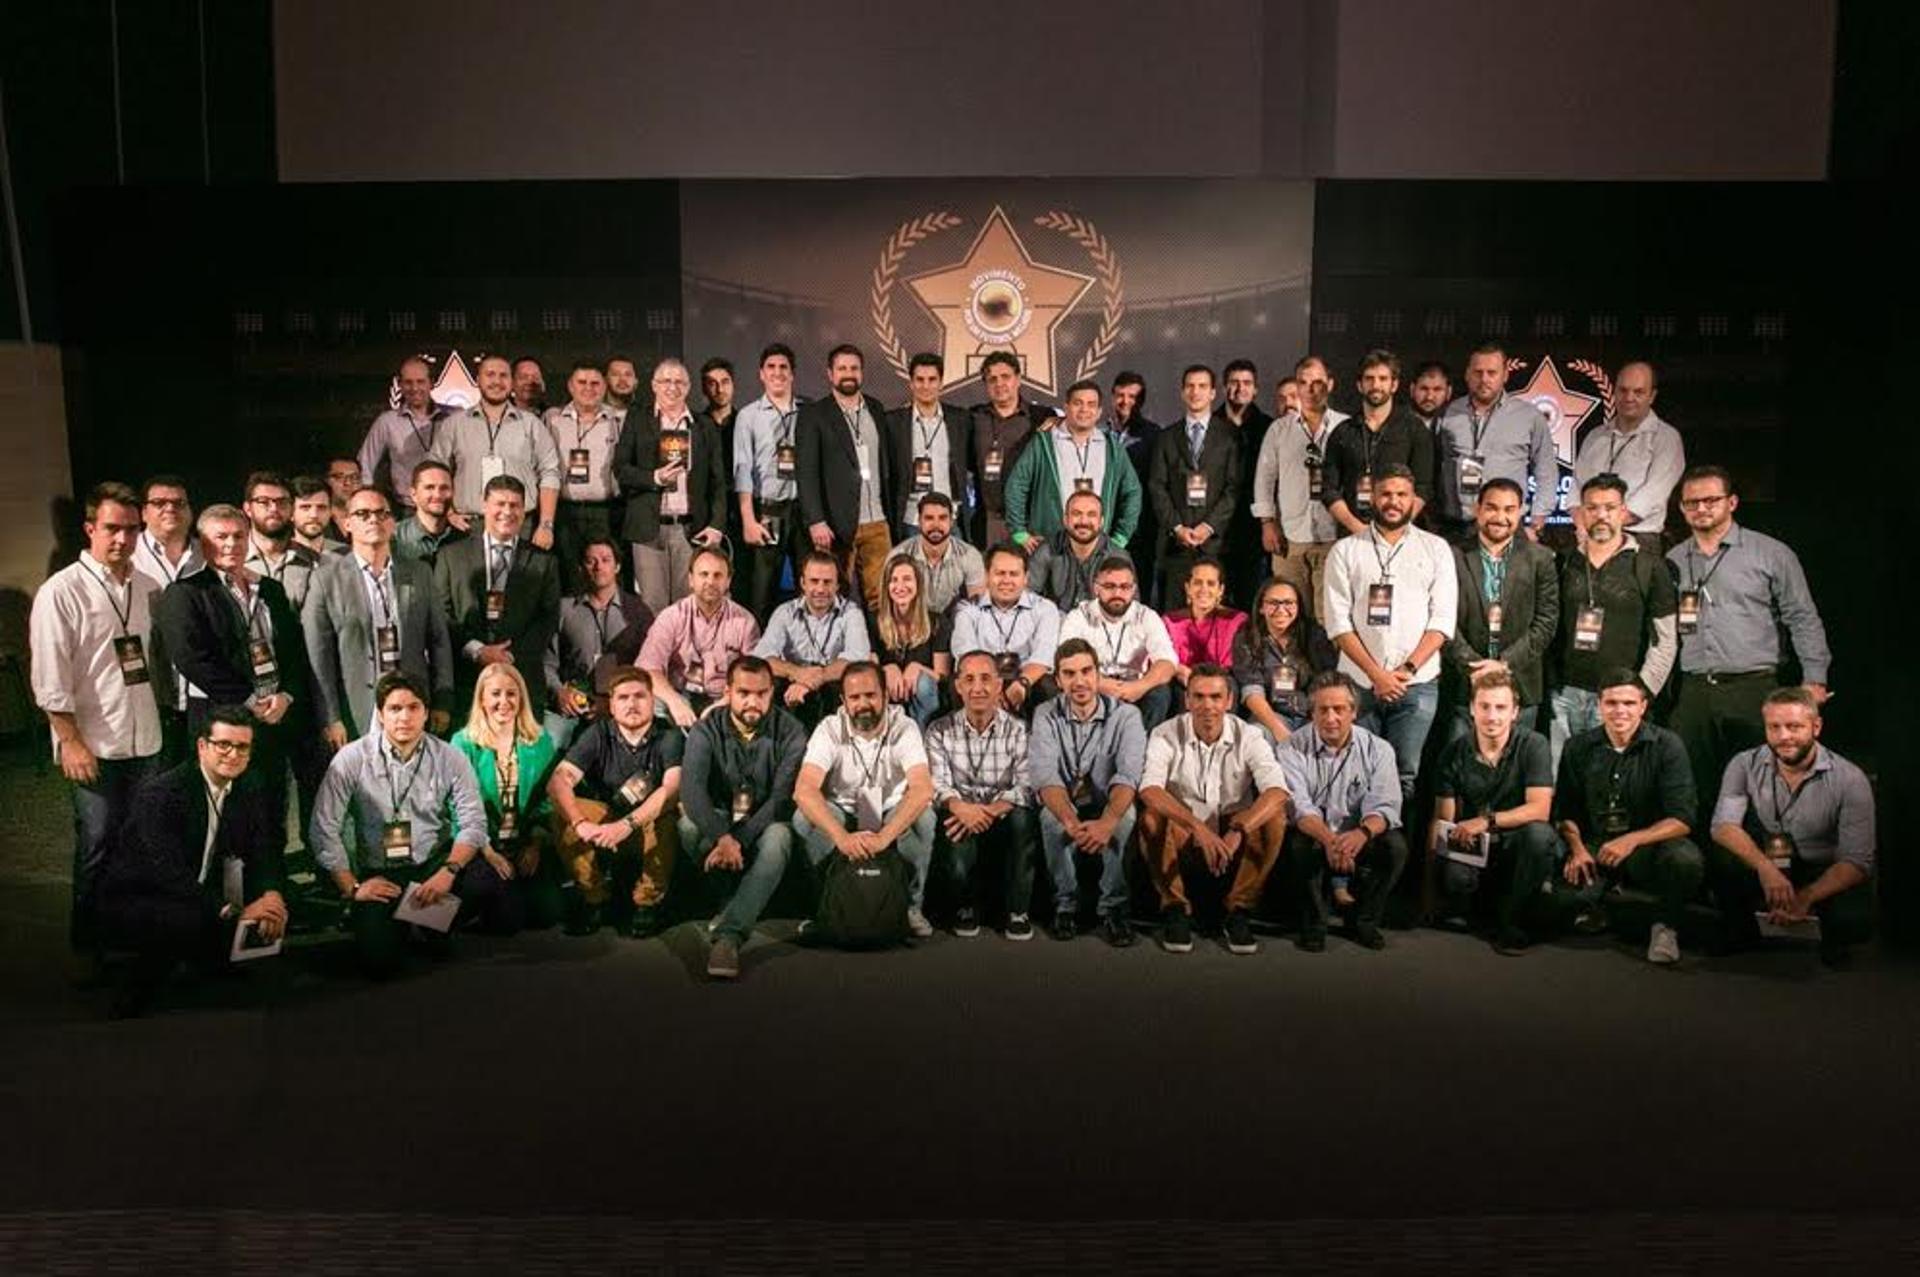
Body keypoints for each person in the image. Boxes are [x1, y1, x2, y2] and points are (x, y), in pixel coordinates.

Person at [30, 481, 167, 949]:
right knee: (98, 844)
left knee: (141, 843)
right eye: (112, 528)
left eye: (131, 530)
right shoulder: (61, 592)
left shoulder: (148, 587)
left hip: (144, 739)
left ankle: (131, 938)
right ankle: (88, 945)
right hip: (92, 743)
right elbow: (50, 678)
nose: (122, 539)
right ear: (90, 528)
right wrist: (69, 741)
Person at [1666, 464, 1831, 833]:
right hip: (1694, 690)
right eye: (1692, 502)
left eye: (1711, 500)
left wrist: (1815, 679)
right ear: (1681, 508)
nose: (1701, 509)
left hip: (1753, 687)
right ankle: (1705, 877)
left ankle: (1759, 878)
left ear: (1732, 502)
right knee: (1696, 788)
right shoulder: (1674, 559)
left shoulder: (1771, 553)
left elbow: (1802, 618)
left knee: (1763, 789)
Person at [92, 707, 287, 1016]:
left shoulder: (251, 785)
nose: (232, 755)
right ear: (202, 746)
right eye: (223, 744)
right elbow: (167, 873)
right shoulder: (162, 794)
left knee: (272, 909)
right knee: (186, 921)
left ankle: (210, 957)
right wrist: (232, 910)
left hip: (202, 887)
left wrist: (272, 895)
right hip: (143, 896)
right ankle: (136, 989)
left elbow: (265, 847)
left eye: (242, 747)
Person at [308, 672, 498, 976]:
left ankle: (430, 922)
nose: (404, 717)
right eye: (395, 709)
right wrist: (352, 887)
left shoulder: (450, 756)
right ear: (381, 715)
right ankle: (408, 920)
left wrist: (447, 872)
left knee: (485, 879)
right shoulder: (350, 759)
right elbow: (323, 827)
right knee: (379, 963)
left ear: (426, 712)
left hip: (431, 865)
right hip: (380, 872)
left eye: (413, 707)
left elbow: (473, 821)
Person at [155, 503, 313, 833]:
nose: (231, 544)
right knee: (228, 809)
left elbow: (294, 650)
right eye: (221, 536)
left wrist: (286, 695)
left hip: (274, 712)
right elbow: (191, 658)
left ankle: (273, 881)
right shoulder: (187, 593)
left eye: (239, 536)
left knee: (273, 803)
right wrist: (248, 700)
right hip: (222, 716)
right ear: (202, 542)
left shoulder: (270, 588)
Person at [1707, 687, 1873, 966]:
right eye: (1775, 727)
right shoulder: (1743, 763)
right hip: (1774, 857)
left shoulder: (1850, 779)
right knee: (1723, 857)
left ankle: (1826, 930)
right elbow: (1723, 825)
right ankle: (1743, 931)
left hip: (1822, 865)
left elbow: (1857, 861)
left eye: (1794, 727)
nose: (1784, 737)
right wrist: (1765, 869)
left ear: (1816, 727)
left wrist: (1807, 895)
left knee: (1852, 920)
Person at [1322, 464, 1455, 803]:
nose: (1393, 501)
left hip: (1417, 684)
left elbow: (1441, 621)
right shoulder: (1345, 550)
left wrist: (1405, 671)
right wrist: (1376, 674)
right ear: (1372, 497)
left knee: (1404, 776)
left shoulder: (1436, 549)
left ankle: (1396, 854)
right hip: (1358, 684)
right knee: (1354, 773)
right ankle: (1355, 851)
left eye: (1401, 495)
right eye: (1386, 494)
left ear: (1414, 500)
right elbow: (1338, 624)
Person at [1138, 663, 1292, 955]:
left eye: (1215, 697)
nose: (1207, 705)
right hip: (1185, 833)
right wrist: (1196, 827)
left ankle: (1239, 910)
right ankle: (1176, 908)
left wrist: (1239, 829)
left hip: (1233, 834)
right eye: (1198, 697)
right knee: (1152, 818)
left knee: (1274, 818)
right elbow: (1150, 790)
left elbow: (1277, 791)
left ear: (1229, 701)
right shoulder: (1164, 733)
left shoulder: (1249, 735)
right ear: (1187, 700)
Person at [1553, 672, 1700, 965]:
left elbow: (1683, 818)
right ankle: (1597, 906)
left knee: (1685, 859)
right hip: (1596, 846)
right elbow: (1565, 812)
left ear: (1643, 706)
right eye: (1612, 703)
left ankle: (1665, 926)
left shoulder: (1667, 745)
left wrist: (1632, 840)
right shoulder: (1577, 747)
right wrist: (1577, 848)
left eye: (1629, 703)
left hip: (1647, 847)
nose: (1620, 711)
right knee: (1560, 896)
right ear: (1601, 704)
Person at [676, 655, 807, 978]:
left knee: (779, 838)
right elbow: (691, 792)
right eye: (744, 693)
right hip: (719, 821)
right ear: (728, 691)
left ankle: (729, 935)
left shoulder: (792, 731)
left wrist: (738, 841)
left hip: (765, 821)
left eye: (761, 693)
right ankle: (733, 899)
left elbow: (780, 798)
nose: (753, 701)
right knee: (687, 824)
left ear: (772, 692)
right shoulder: (706, 729)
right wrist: (723, 837)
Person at [792, 661, 937, 938]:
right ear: (843, 701)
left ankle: (911, 907)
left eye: (870, 695)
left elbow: (922, 789)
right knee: (804, 818)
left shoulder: (904, 727)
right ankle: (823, 908)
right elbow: (804, 789)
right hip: (843, 808)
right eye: (855, 697)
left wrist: (884, 837)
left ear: (885, 695)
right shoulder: (830, 728)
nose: (863, 704)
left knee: (925, 817)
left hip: (890, 808)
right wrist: (841, 837)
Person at [304, 485, 454, 746]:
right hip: (357, 709)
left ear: (393, 523)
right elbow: (319, 657)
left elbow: (439, 641)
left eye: (381, 513)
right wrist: (330, 717)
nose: (373, 519)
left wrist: (442, 700)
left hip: (411, 705)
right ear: (347, 523)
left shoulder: (419, 573)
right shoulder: (325, 579)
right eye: (363, 514)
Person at [1549, 473, 1677, 770]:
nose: (1601, 516)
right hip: (1565, 697)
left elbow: (1665, 639)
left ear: (1623, 512)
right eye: (1592, 508)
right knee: (1563, 786)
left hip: (1619, 699)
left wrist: (1641, 692)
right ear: (1581, 513)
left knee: (1610, 787)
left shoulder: (1649, 567)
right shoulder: (1564, 563)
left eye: (1609, 507)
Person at [1427, 671, 1560, 955]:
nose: (1492, 716)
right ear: (1472, 709)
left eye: (1501, 708)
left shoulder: (1534, 745)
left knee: (1540, 835)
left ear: (1515, 713)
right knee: (1455, 877)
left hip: (1515, 842)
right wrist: (1431, 888)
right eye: (1484, 707)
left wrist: (1486, 821)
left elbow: (1540, 808)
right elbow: (1443, 821)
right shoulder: (1453, 752)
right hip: (1475, 848)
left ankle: (1513, 922)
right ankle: (1483, 907)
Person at [546, 667, 685, 937]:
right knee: (561, 812)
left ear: (652, 700)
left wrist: (627, 824)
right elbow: (559, 780)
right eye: (623, 698)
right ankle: (594, 898)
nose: (631, 704)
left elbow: (671, 789)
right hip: (607, 821)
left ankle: (648, 902)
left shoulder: (670, 736)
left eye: (639, 696)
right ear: (611, 704)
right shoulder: (597, 733)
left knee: (668, 813)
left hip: (645, 824)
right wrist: (580, 822)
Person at [1276, 672, 1408, 951]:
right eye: (1323, 710)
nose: (1331, 718)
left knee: (1395, 847)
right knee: (1300, 844)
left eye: (1339, 709)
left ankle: (1364, 921)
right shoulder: (1289, 748)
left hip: (1357, 832)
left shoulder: (1379, 749)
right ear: (1311, 713)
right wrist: (1329, 840)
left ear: (1354, 712)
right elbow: (1298, 806)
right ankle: (1314, 924)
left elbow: (1385, 805)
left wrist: (1360, 835)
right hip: (1316, 832)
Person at [1028, 639, 1146, 945]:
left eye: (1086, 671)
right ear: (1058, 681)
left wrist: (1107, 823)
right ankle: (1065, 905)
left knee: (1127, 816)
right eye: (1069, 674)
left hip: (1108, 802)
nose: (1079, 681)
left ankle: (1114, 909)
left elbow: (1128, 776)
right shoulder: (1045, 713)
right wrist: (1069, 821)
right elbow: (1045, 776)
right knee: (1049, 819)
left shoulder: (1126, 716)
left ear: (1098, 674)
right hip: (1066, 802)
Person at [926, 651, 1039, 940]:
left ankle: (1018, 911)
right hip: (961, 814)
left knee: (1023, 817)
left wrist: (988, 811)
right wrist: (960, 807)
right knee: (950, 818)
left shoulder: (1018, 730)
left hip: (1001, 814)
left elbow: (1027, 785)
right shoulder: (939, 731)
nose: (978, 688)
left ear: (1000, 686)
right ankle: (965, 907)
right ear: (958, 686)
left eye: (986, 679)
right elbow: (937, 785)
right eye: (969, 679)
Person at [450, 663, 564, 932]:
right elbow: (458, 808)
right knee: (506, 922)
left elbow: (546, 800)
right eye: (495, 694)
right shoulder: (463, 742)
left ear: (521, 697)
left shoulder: (539, 740)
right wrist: (488, 852)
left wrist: (535, 844)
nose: (504, 702)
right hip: (482, 845)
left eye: (511, 694)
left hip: (523, 841)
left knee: (549, 913)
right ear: (482, 699)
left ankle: (508, 896)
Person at [432, 475, 561, 710]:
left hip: (522, 681)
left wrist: (508, 657)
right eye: (499, 504)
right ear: (484, 505)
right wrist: (477, 651)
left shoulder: (544, 561)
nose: (507, 512)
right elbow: (441, 614)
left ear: (524, 510)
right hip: (466, 681)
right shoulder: (450, 556)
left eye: (514, 505)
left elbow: (548, 618)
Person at [1444, 478, 1558, 740]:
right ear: (1478, 509)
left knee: (1515, 772)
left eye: (1509, 509)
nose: (1500, 517)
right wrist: (1475, 667)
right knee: (1463, 770)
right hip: (1464, 685)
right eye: (1492, 508)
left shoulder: (1540, 558)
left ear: (1520, 512)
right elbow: (1443, 619)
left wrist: (1503, 665)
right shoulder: (1452, 555)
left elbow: (1546, 622)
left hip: (1521, 685)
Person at [613, 357, 728, 615]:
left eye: (679, 382)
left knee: (689, 606)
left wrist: (716, 525)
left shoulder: (704, 426)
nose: (672, 387)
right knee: (651, 606)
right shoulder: (637, 419)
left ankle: (685, 657)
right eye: (665, 381)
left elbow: (718, 482)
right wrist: (654, 478)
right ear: (654, 385)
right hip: (648, 529)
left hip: (692, 530)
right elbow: (621, 469)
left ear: (688, 387)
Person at [796, 344, 899, 613]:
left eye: (854, 368)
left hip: (877, 521)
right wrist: (816, 520)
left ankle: (880, 654)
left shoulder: (876, 409)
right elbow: (806, 472)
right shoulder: (814, 414)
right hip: (836, 525)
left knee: (882, 599)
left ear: (862, 373)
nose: (848, 374)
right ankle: (837, 653)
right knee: (834, 597)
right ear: (830, 374)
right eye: (842, 368)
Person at [1252, 354, 1346, 617]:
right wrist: (1267, 522)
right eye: (1303, 383)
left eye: (1317, 382)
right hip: (1290, 537)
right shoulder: (1279, 429)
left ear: (1330, 384)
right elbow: (1264, 478)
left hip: (1333, 537)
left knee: (1329, 616)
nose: (1311, 390)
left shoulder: (1346, 427)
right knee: (1290, 613)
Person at [1434, 343, 1558, 543]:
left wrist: (1537, 524)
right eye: (1478, 372)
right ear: (1467, 374)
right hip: (1456, 528)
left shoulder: (1529, 417)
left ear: (1505, 375)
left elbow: (1547, 471)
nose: (1484, 379)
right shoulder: (1448, 413)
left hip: (1506, 528)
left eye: (1492, 373)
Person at [1005, 379, 1141, 554]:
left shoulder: (1112, 447)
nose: (1084, 409)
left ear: (1099, 412)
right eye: (1078, 403)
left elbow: (1132, 492)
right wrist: (1019, 532)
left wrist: (1121, 537)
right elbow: (1017, 485)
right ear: (1066, 407)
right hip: (1050, 547)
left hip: (1097, 549)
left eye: (1091, 404)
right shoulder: (1043, 442)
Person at [439, 352, 560, 547]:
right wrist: (449, 513)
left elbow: (550, 473)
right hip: (468, 527)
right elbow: (437, 472)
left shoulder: (531, 425)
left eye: (503, 375)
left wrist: (546, 525)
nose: (497, 381)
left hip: (522, 526)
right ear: (477, 380)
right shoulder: (453, 425)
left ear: (512, 382)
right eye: (490, 374)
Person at [544, 537, 651, 753]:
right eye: (591, 561)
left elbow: (649, 669)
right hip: (573, 703)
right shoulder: (564, 609)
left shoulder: (638, 612)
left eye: (605, 560)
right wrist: (558, 692)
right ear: (581, 568)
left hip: (621, 703)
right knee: (551, 743)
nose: (598, 566)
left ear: (617, 566)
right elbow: (547, 661)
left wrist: (614, 703)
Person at [634, 546, 761, 726]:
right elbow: (648, 667)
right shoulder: (670, 617)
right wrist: (675, 702)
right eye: (704, 574)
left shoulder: (745, 622)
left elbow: (754, 676)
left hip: (724, 698)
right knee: (650, 700)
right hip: (680, 693)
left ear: (728, 582)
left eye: (718, 575)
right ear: (691, 580)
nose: (710, 581)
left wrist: (724, 703)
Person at [1147, 364, 1240, 604]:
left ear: (1212, 393)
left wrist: (1208, 526)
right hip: (1176, 545)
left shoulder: (1230, 437)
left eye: (1202, 386)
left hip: (1215, 545)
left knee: (1215, 617)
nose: (1195, 392)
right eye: (1190, 386)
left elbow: (1233, 489)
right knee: (1175, 614)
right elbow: (1157, 486)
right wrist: (1177, 527)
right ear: (1182, 392)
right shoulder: (1166, 437)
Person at [1056, 554, 1177, 731]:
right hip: (1094, 685)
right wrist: (1101, 684)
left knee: (1160, 692)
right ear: (1096, 588)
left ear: (1133, 589)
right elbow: (1067, 660)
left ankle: (1138, 750)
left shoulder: (1146, 616)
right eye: (1110, 586)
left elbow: (1167, 661)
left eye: (1125, 587)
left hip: (1134, 688)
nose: (1117, 594)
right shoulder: (1079, 616)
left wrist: (1139, 686)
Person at [1572, 361, 1684, 551]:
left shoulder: (1667, 438)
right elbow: (1576, 488)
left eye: (1638, 392)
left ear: (1652, 396)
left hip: (1639, 539)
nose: (1629, 397)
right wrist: (1583, 525)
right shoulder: (1594, 436)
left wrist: (1604, 524)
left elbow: (1653, 494)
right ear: (1614, 392)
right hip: (1589, 536)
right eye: (1623, 390)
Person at [1322, 349, 1436, 536]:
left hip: (1400, 535)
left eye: (1383, 379)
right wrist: (1358, 528)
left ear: (1394, 385)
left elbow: (1423, 488)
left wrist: (1395, 527)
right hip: (1353, 535)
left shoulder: (1414, 429)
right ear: (1360, 385)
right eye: (1369, 378)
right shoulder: (1343, 432)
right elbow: (1329, 490)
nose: (1376, 385)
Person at [753, 550, 873, 723]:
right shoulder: (784, 612)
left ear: (837, 585)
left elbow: (858, 657)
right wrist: (797, 673)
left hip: (832, 688)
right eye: (814, 581)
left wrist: (815, 678)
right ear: (803, 583)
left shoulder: (851, 612)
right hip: (792, 688)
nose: (820, 589)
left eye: (827, 582)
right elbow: (761, 656)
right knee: (773, 685)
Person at [131, 474, 202, 761]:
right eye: (159, 503)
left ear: (190, 511)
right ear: (143, 512)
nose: (170, 509)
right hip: (151, 693)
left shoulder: (206, 553)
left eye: (178, 503)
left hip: (200, 694)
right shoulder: (129, 555)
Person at [733, 343, 804, 619]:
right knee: (763, 592)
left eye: (783, 367)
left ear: (792, 374)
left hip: (802, 511)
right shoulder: (748, 416)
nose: (778, 373)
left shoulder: (808, 411)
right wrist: (749, 520)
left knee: (808, 586)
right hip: (768, 511)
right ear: (761, 374)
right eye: (771, 367)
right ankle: (759, 657)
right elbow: (743, 469)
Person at [949, 544, 1063, 715]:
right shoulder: (968, 610)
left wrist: (1022, 684)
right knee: (959, 682)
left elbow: (1044, 657)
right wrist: (990, 688)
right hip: (983, 679)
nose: (1006, 581)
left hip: (1028, 680)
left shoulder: (1045, 609)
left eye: (1014, 574)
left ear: (1026, 578)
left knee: (1048, 686)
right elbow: (966, 655)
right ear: (987, 576)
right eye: (1000, 573)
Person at [545, 360, 625, 594]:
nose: (588, 388)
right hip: (566, 511)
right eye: (582, 382)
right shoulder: (553, 419)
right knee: (570, 578)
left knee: (607, 580)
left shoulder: (618, 420)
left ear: (604, 387)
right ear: (570, 386)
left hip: (607, 512)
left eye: (595, 383)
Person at [966, 350, 1055, 549]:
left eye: (1005, 376)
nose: (999, 384)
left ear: (1018, 379)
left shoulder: (1041, 417)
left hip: (1028, 522)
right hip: (987, 521)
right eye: (992, 379)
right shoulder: (973, 417)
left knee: (1027, 579)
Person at [1232, 576, 1337, 744]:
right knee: (1255, 736)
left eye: (1288, 603)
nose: (1281, 609)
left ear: (1298, 607)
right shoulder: (1247, 638)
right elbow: (1252, 691)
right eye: (1273, 603)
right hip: (1271, 716)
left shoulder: (1314, 635)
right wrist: (1278, 729)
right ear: (1261, 607)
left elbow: (1326, 683)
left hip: (1311, 715)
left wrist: (1315, 722)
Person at [886, 352, 970, 538]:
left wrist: (1045, 415)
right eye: (920, 379)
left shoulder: (960, 419)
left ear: (941, 383)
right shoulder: (893, 422)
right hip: (911, 521)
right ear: (911, 383)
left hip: (951, 521)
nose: (926, 386)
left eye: (932, 379)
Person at [357, 355, 447, 513]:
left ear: (431, 383)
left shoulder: (453, 419)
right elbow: (365, 465)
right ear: (399, 384)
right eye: (408, 382)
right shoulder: (387, 421)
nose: (414, 388)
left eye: (420, 382)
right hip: (406, 509)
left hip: (448, 507)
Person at [869, 554, 951, 728]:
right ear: (886, 586)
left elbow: (943, 677)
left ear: (918, 585)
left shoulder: (937, 622)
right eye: (894, 580)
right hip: (889, 695)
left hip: (924, 698)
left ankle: (922, 744)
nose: (900, 586)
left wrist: (919, 668)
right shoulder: (873, 621)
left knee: (924, 684)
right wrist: (886, 669)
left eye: (907, 579)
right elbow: (868, 672)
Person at [1220, 358, 1276, 601]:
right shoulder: (1209, 426)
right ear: (1224, 388)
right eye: (1234, 382)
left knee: (1251, 600)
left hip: (1254, 531)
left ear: (1255, 390)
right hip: (1216, 531)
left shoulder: (1269, 428)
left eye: (1246, 383)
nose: (1240, 388)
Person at [1025, 490, 1129, 613]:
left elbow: (1128, 608)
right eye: (1076, 514)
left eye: (1091, 514)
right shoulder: (1047, 550)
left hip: (1100, 626)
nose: (1083, 521)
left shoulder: (1117, 556)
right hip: (1055, 624)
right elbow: (1027, 597)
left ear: (1101, 522)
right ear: (1065, 519)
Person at [887, 492, 985, 616]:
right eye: (929, 518)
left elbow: (977, 606)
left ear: (951, 521)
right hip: (910, 620)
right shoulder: (898, 555)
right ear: (919, 521)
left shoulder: (970, 555)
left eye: (942, 518)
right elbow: (890, 607)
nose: (936, 525)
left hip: (952, 623)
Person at [1109, 369, 1161, 592]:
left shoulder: (1153, 434)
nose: (1125, 401)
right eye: (1121, 395)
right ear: (1112, 396)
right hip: (1106, 521)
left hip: (1141, 526)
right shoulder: (1101, 431)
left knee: (1140, 584)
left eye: (1132, 397)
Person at [1162, 557, 1246, 689]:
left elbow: (1233, 666)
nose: (1204, 589)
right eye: (1197, 583)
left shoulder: (1236, 620)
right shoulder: (1171, 621)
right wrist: (1180, 670)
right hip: (1180, 681)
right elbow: (1163, 659)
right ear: (1188, 587)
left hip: (1220, 682)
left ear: (1221, 590)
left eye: (1211, 583)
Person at [241, 471, 320, 613]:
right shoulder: (233, 560)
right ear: (248, 509)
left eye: (282, 502)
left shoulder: (315, 564)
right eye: (263, 502)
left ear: (292, 508)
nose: (274, 509)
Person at [391, 459, 466, 569]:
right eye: (429, 487)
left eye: (444, 488)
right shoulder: (394, 538)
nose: (437, 495)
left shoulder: (465, 540)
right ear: (413, 494)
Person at [288, 476, 338, 560]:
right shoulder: (277, 557)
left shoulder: (347, 556)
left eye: (321, 507)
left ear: (330, 512)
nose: (314, 515)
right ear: (290, 513)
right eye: (305, 507)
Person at [323, 457, 363, 545]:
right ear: (327, 481)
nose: (348, 483)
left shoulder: (369, 518)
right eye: (339, 477)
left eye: (354, 477)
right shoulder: (319, 517)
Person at [1408, 361, 1451, 432]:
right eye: (1424, 389)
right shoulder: (1395, 425)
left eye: (1437, 390)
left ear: (1449, 392)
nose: (1429, 397)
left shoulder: (1458, 426)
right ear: (1412, 389)